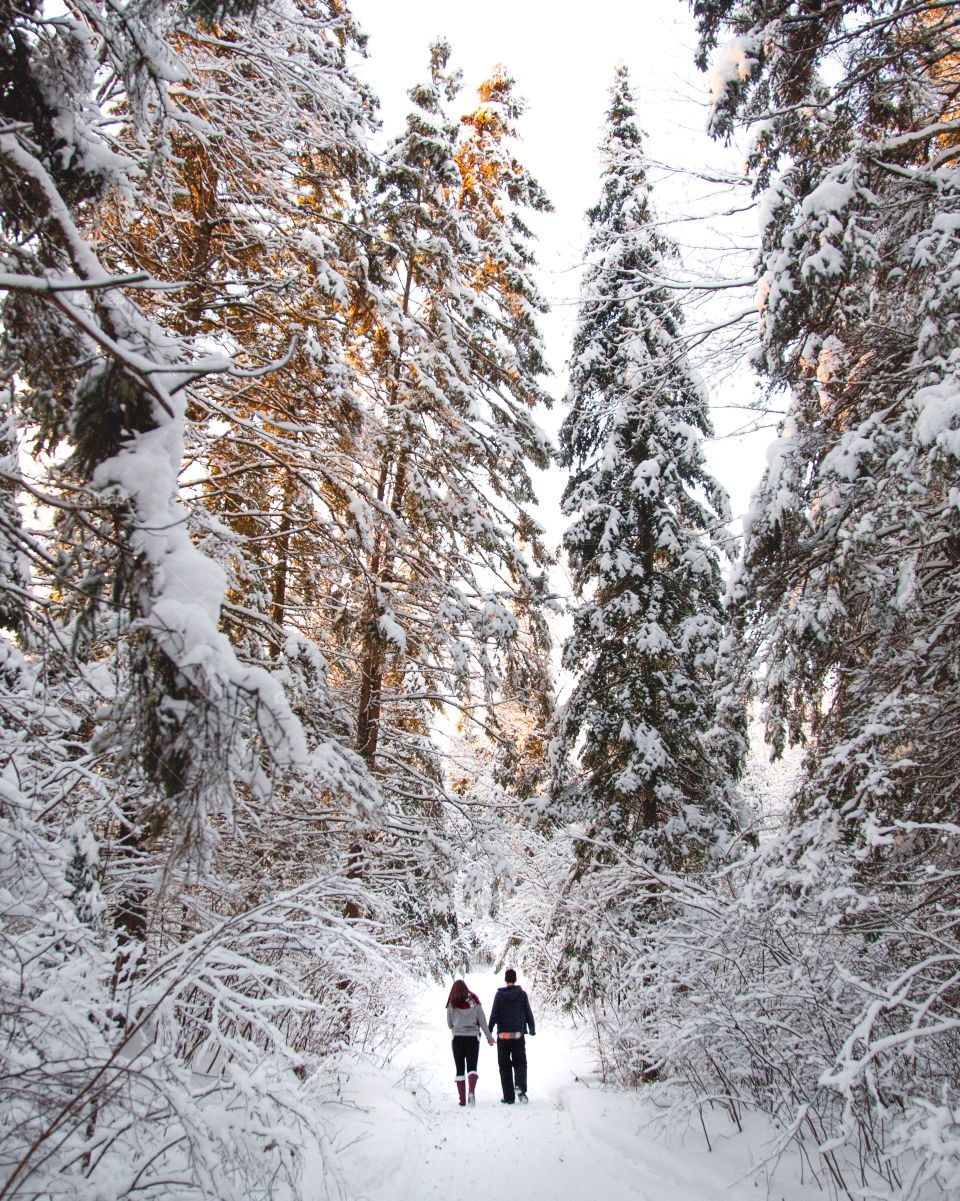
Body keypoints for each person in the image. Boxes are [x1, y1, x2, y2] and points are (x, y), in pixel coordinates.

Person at [488, 968, 535, 1104]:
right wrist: (531, 1028)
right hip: (517, 1036)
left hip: (503, 1037)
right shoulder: (522, 995)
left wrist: (489, 1031)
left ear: (505, 979)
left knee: (504, 1066)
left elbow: (494, 1014)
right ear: (515, 979)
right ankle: (520, 1087)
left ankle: (508, 1097)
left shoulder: (499, 996)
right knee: (520, 1063)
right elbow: (528, 1012)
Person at [446, 979, 494, 1106]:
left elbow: (450, 1025)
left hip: (457, 1039)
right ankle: (471, 1092)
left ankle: (462, 1100)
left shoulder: (452, 1003)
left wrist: (458, 1024)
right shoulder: (475, 1001)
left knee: (459, 1068)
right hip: (473, 1038)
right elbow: (482, 1022)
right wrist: (489, 1037)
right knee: (472, 1067)